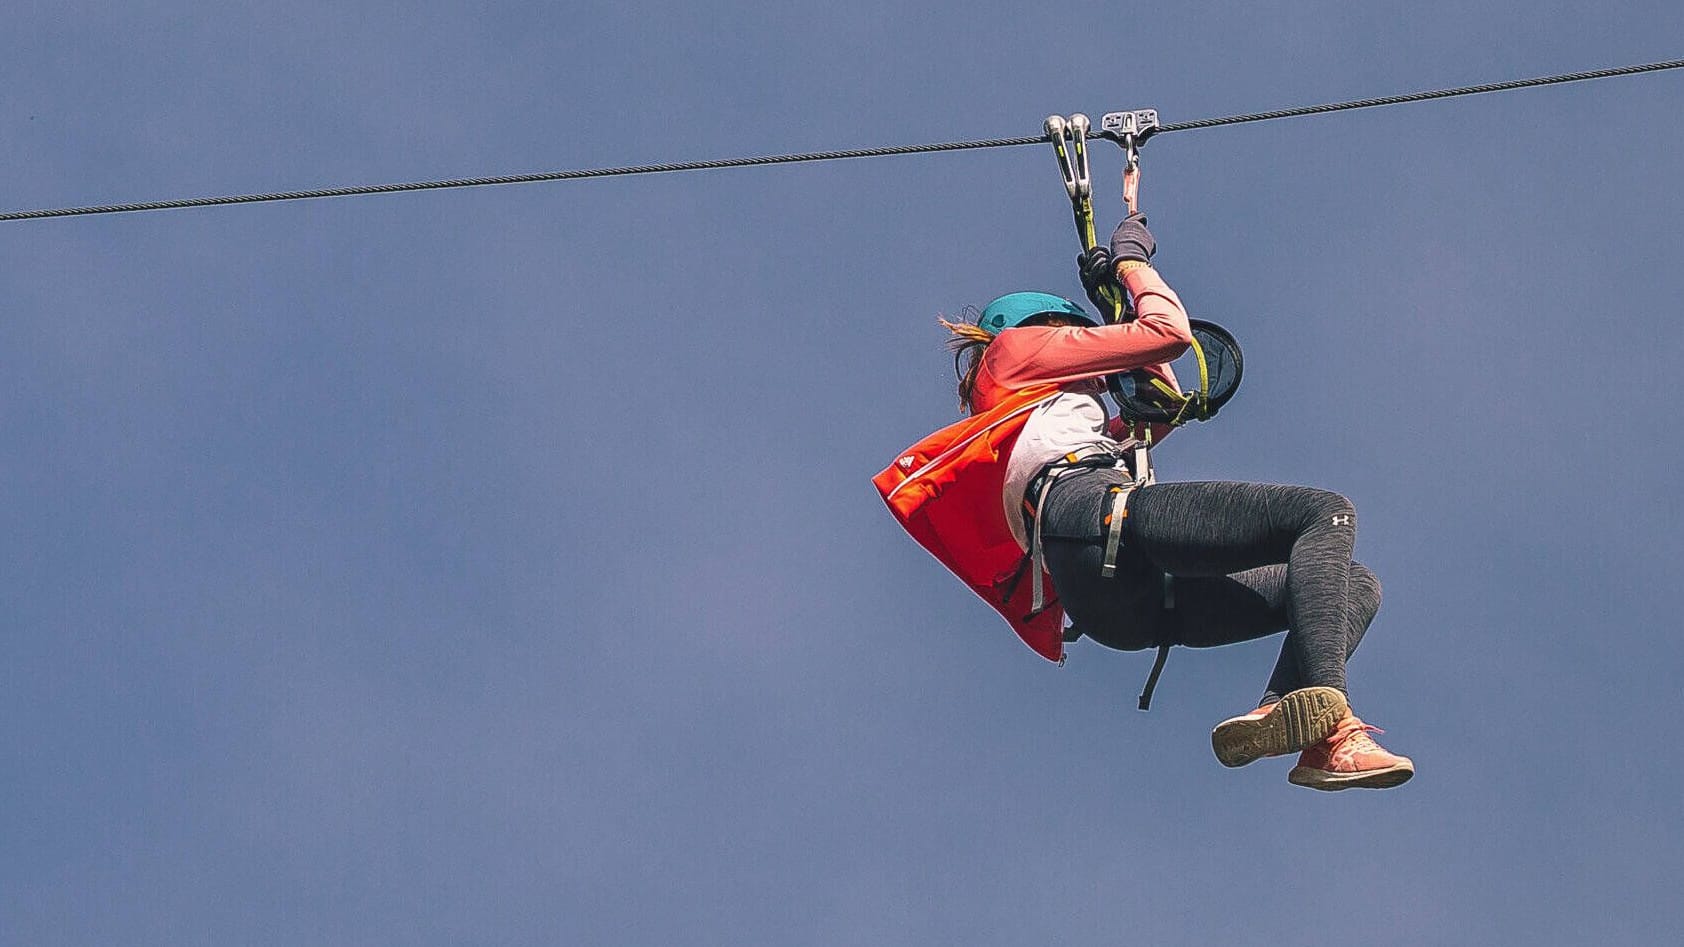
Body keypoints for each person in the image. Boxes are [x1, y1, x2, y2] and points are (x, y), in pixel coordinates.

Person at [878, 214, 1411, 791]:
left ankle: (1287, 713)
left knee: (1355, 585)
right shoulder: (1013, 349)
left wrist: (1114, 304)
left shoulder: (1059, 419)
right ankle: (1335, 726)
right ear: (1055, 331)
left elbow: (1160, 403)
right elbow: (1169, 335)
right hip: (1090, 513)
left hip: (1116, 604)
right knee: (1324, 513)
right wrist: (1133, 265)